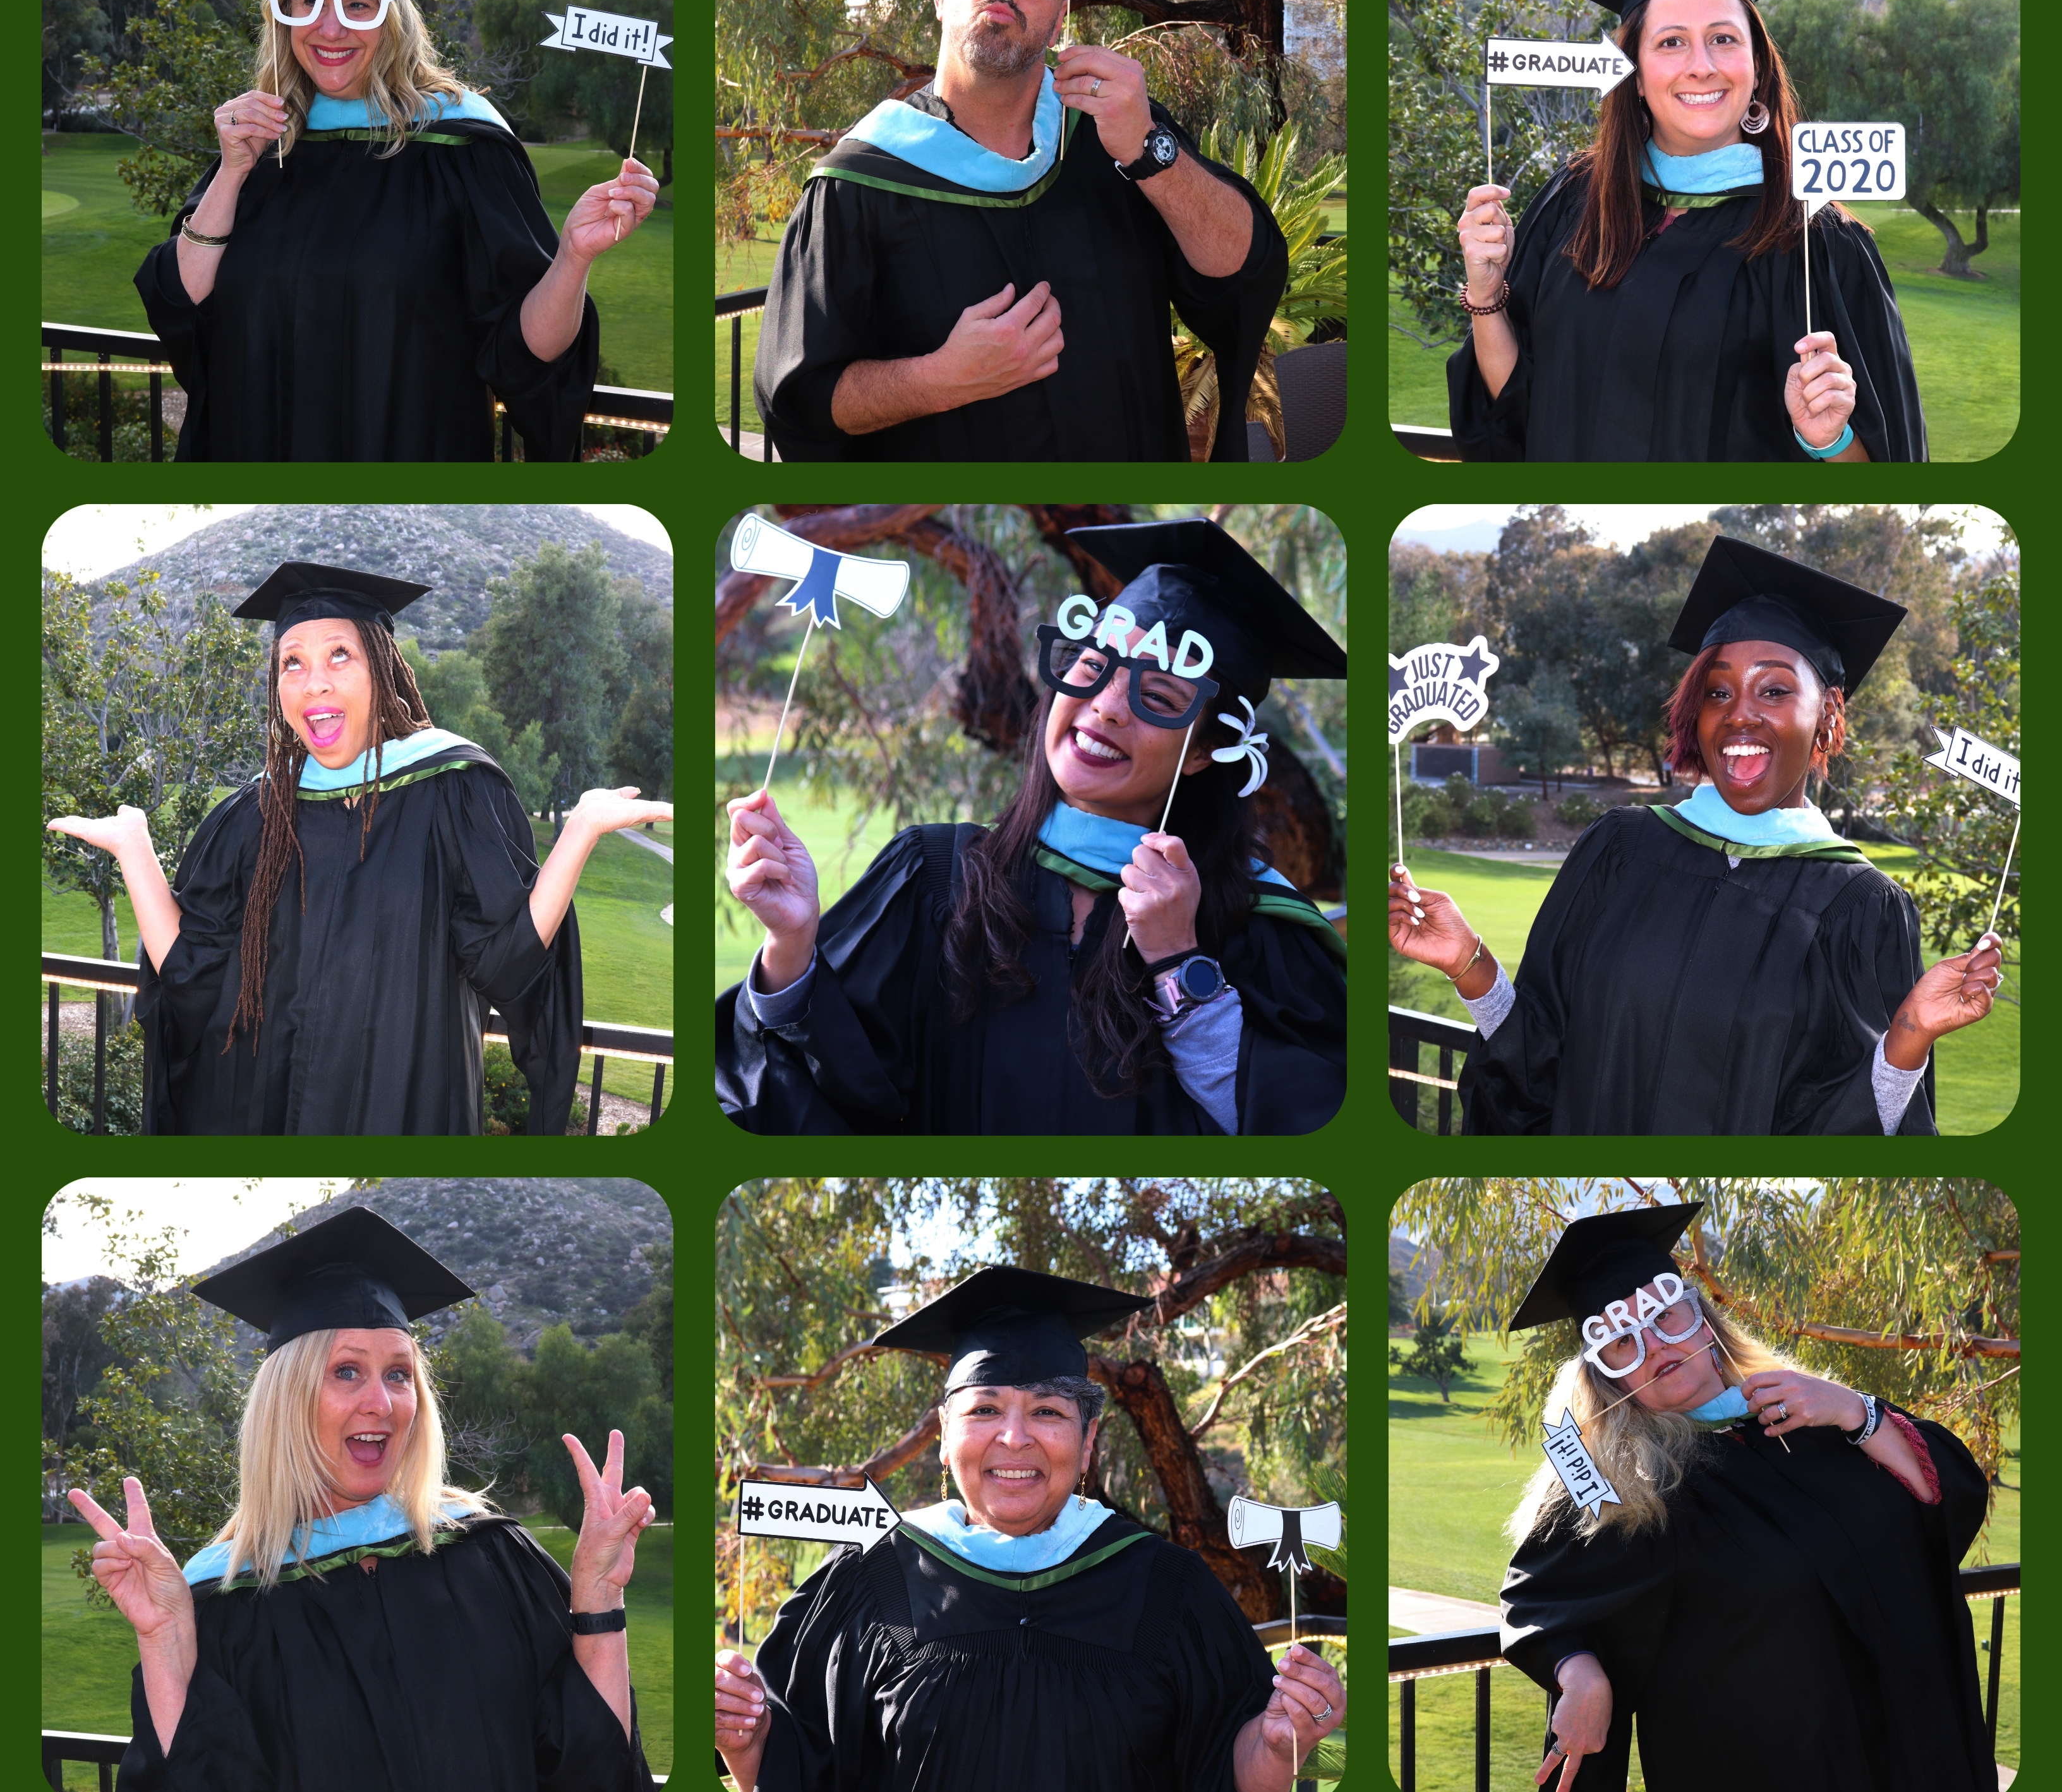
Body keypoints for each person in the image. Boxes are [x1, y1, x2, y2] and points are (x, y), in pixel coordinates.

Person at [716, 518, 1346, 1133]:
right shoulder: (935, 877)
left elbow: (1304, 1125)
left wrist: (1179, 963)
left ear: (1208, 751)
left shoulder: (1258, 931)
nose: (1105, 706)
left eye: (1159, 697)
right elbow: (817, 1098)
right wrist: (793, 946)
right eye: (1092, 664)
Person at [1389, 536, 2004, 1134]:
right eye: (1718, 690)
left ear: (1830, 714)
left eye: (1775, 689)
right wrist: (1469, 964)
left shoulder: (1862, 911)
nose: (1740, 712)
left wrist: (1910, 1033)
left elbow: (1840, 1141)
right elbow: (1537, 1062)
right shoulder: (1619, 850)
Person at [45, 562, 674, 1134]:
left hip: (401, 1105)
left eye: (339, 655)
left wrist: (580, 830)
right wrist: (135, 849)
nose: (313, 681)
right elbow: (192, 973)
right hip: (268, 1110)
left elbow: (505, 958)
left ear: (382, 670)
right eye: (292, 662)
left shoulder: (451, 792)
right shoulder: (254, 816)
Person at [66, 1208, 660, 1792]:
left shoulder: (495, 1558)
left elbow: (593, 1784)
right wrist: (167, 1639)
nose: (381, 1402)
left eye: (399, 1374)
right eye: (347, 1371)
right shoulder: (223, 1606)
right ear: (287, 1402)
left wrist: (600, 1598)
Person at [713, 1266, 1346, 1792]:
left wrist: (1281, 1741)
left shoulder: (1166, 1587)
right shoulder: (872, 1585)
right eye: (984, 1409)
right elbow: (794, 1780)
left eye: (1047, 1411)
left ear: (1089, 1439)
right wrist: (743, 1734)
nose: (1014, 1439)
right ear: (944, 1433)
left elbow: (1237, 1784)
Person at [751, 0, 1287, 461]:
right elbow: (801, 397)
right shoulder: (859, 182)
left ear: (1061, 18)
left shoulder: (1117, 135)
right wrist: (938, 381)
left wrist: (1149, 152)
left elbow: (1246, 273)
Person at [133, 0, 658, 461]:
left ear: (396, 20)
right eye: (308, 2)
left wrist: (572, 257)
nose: (329, 29)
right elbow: (181, 298)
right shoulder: (266, 139)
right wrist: (231, 172)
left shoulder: (461, 146)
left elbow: (523, 348)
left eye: (358, 5)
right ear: (285, 14)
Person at [1497, 1205, 1996, 1792]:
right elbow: (1544, 1595)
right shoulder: (1630, 1490)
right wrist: (1580, 1673)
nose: (1656, 1348)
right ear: (1610, 1379)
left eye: (1665, 1319)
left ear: (1704, 1323)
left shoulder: (1810, 1420)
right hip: (1773, 1778)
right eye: (1624, 1343)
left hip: (1917, 1751)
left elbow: (1943, 1499)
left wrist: (1851, 1410)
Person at [1447, 0, 1927, 462]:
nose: (1701, 67)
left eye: (1724, 39)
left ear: (1755, 67)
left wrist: (1829, 437)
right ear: (1636, 71)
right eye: (1671, 42)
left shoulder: (1818, 244)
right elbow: (1515, 409)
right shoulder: (1574, 201)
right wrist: (1487, 289)